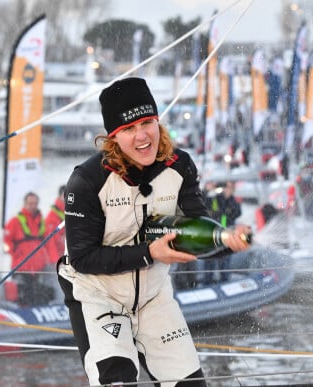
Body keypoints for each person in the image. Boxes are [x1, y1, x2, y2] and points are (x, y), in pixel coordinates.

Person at [57, 77, 251, 386]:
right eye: (128, 129)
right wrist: (150, 253)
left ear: (158, 123)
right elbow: (82, 258)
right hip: (97, 295)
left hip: (153, 296)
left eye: (147, 122)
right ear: (113, 137)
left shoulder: (180, 165)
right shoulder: (87, 180)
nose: (142, 136)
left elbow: (195, 228)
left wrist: (228, 240)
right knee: (118, 380)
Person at [3, 191, 54, 306]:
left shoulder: (42, 222)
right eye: (30, 203)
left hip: (39, 268)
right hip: (21, 267)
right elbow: (6, 241)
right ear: (25, 204)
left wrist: (52, 261)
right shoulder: (15, 221)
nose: (33, 206)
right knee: (23, 296)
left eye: (35, 203)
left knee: (39, 294)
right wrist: (15, 253)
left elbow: (49, 244)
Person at [204, 181, 242, 283]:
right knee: (209, 263)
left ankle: (224, 283)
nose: (225, 189)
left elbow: (237, 212)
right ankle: (208, 284)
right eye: (224, 186)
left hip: (226, 238)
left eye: (228, 187)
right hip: (212, 237)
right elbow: (203, 204)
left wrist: (228, 197)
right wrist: (207, 190)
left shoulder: (232, 201)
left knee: (224, 264)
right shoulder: (213, 198)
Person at [45, 184, 66, 262]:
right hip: (58, 260)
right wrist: (56, 261)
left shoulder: (76, 213)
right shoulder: (52, 216)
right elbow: (51, 242)